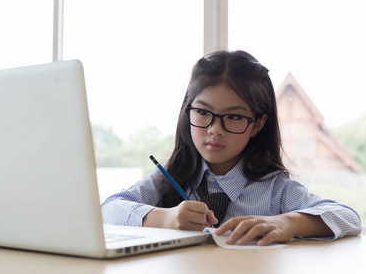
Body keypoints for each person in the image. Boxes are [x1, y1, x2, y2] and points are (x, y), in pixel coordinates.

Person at [101, 50, 362, 245]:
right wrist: (164, 219)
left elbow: (349, 218)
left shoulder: (274, 189)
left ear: (257, 124)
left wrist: (289, 222)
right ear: (187, 111)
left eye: (234, 117)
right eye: (203, 112)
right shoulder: (169, 177)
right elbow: (107, 210)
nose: (215, 129)